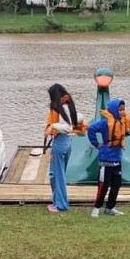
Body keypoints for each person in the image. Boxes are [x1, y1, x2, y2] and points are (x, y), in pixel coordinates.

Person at [86, 98, 130, 217]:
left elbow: (127, 132)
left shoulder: (122, 122)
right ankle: (96, 207)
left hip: (117, 159)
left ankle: (110, 208)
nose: (122, 112)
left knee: (116, 185)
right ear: (113, 110)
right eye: (120, 109)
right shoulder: (104, 123)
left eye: (123, 109)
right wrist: (96, 144)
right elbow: (91, 129)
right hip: (106, 160)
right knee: (103, 185)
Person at [44, 83, 81, 213]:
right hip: (66, 142)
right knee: (59, 174)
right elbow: (77, 120)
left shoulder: (62, 108)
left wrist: (52, 126)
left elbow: (68, 128)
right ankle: (58, 202)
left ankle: (61, 205)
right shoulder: (68, 106)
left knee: (57, 175)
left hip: (60, 142)